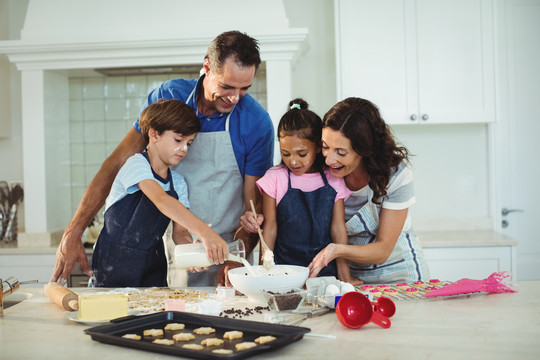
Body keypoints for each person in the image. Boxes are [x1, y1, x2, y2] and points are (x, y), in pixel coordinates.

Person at [51, 31, 274, 287]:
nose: (234, 98)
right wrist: (74, 230)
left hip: (225, 254)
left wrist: (237, 255)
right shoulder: (169, 97)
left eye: (244, 89)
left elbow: (252, 208)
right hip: (171, 254)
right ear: (207, 67)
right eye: (226, 86)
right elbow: (118, 164)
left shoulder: (256, 123)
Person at [92, 99, 229, 287]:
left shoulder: (178, 184)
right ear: (154, 135)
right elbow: (161, 200)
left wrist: (191, 252)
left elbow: (180, 233)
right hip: (113, 268)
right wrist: (207, 234)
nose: (184, 149)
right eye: (179, 140)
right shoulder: (136, 165)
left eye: (189, 143)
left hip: (152, 270)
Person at [307, 97, 429, 284]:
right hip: (351, 277)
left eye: (341, 152)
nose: (329, 160)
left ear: (365, 150)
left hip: (400, 274)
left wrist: (338, 250)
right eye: (325, 147)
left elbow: (382, 250)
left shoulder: (395, 175)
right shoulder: (321, 173)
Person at [254, 99, 353, 280]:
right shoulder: (275, 178)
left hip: (325, 273)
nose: (293, 161)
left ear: (317, 147)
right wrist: (263, 273)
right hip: (284, 273)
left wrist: (345, 276)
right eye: (286, 153)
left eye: (301, 154)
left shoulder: (333, 180)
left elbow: (338, 229)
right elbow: (270, 228)